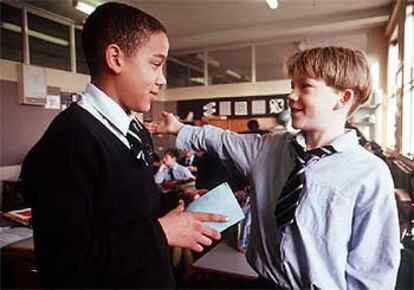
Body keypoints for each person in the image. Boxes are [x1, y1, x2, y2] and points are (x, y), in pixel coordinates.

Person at [153, 46, 401, 289]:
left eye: (305, 86)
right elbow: (220, 140)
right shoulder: (267, 149)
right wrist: (178, 128)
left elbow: (373, 270)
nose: (291, 95)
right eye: (292, 86)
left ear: (343, 98)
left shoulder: (370, 174)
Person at [19, 3, 226, 289]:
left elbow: (121, 208)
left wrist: (175, 206)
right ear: (115, 58)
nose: (162, 79)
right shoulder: (67, 142)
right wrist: (162, 232)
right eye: (155, 64)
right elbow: (64, 265)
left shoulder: (135, 131)